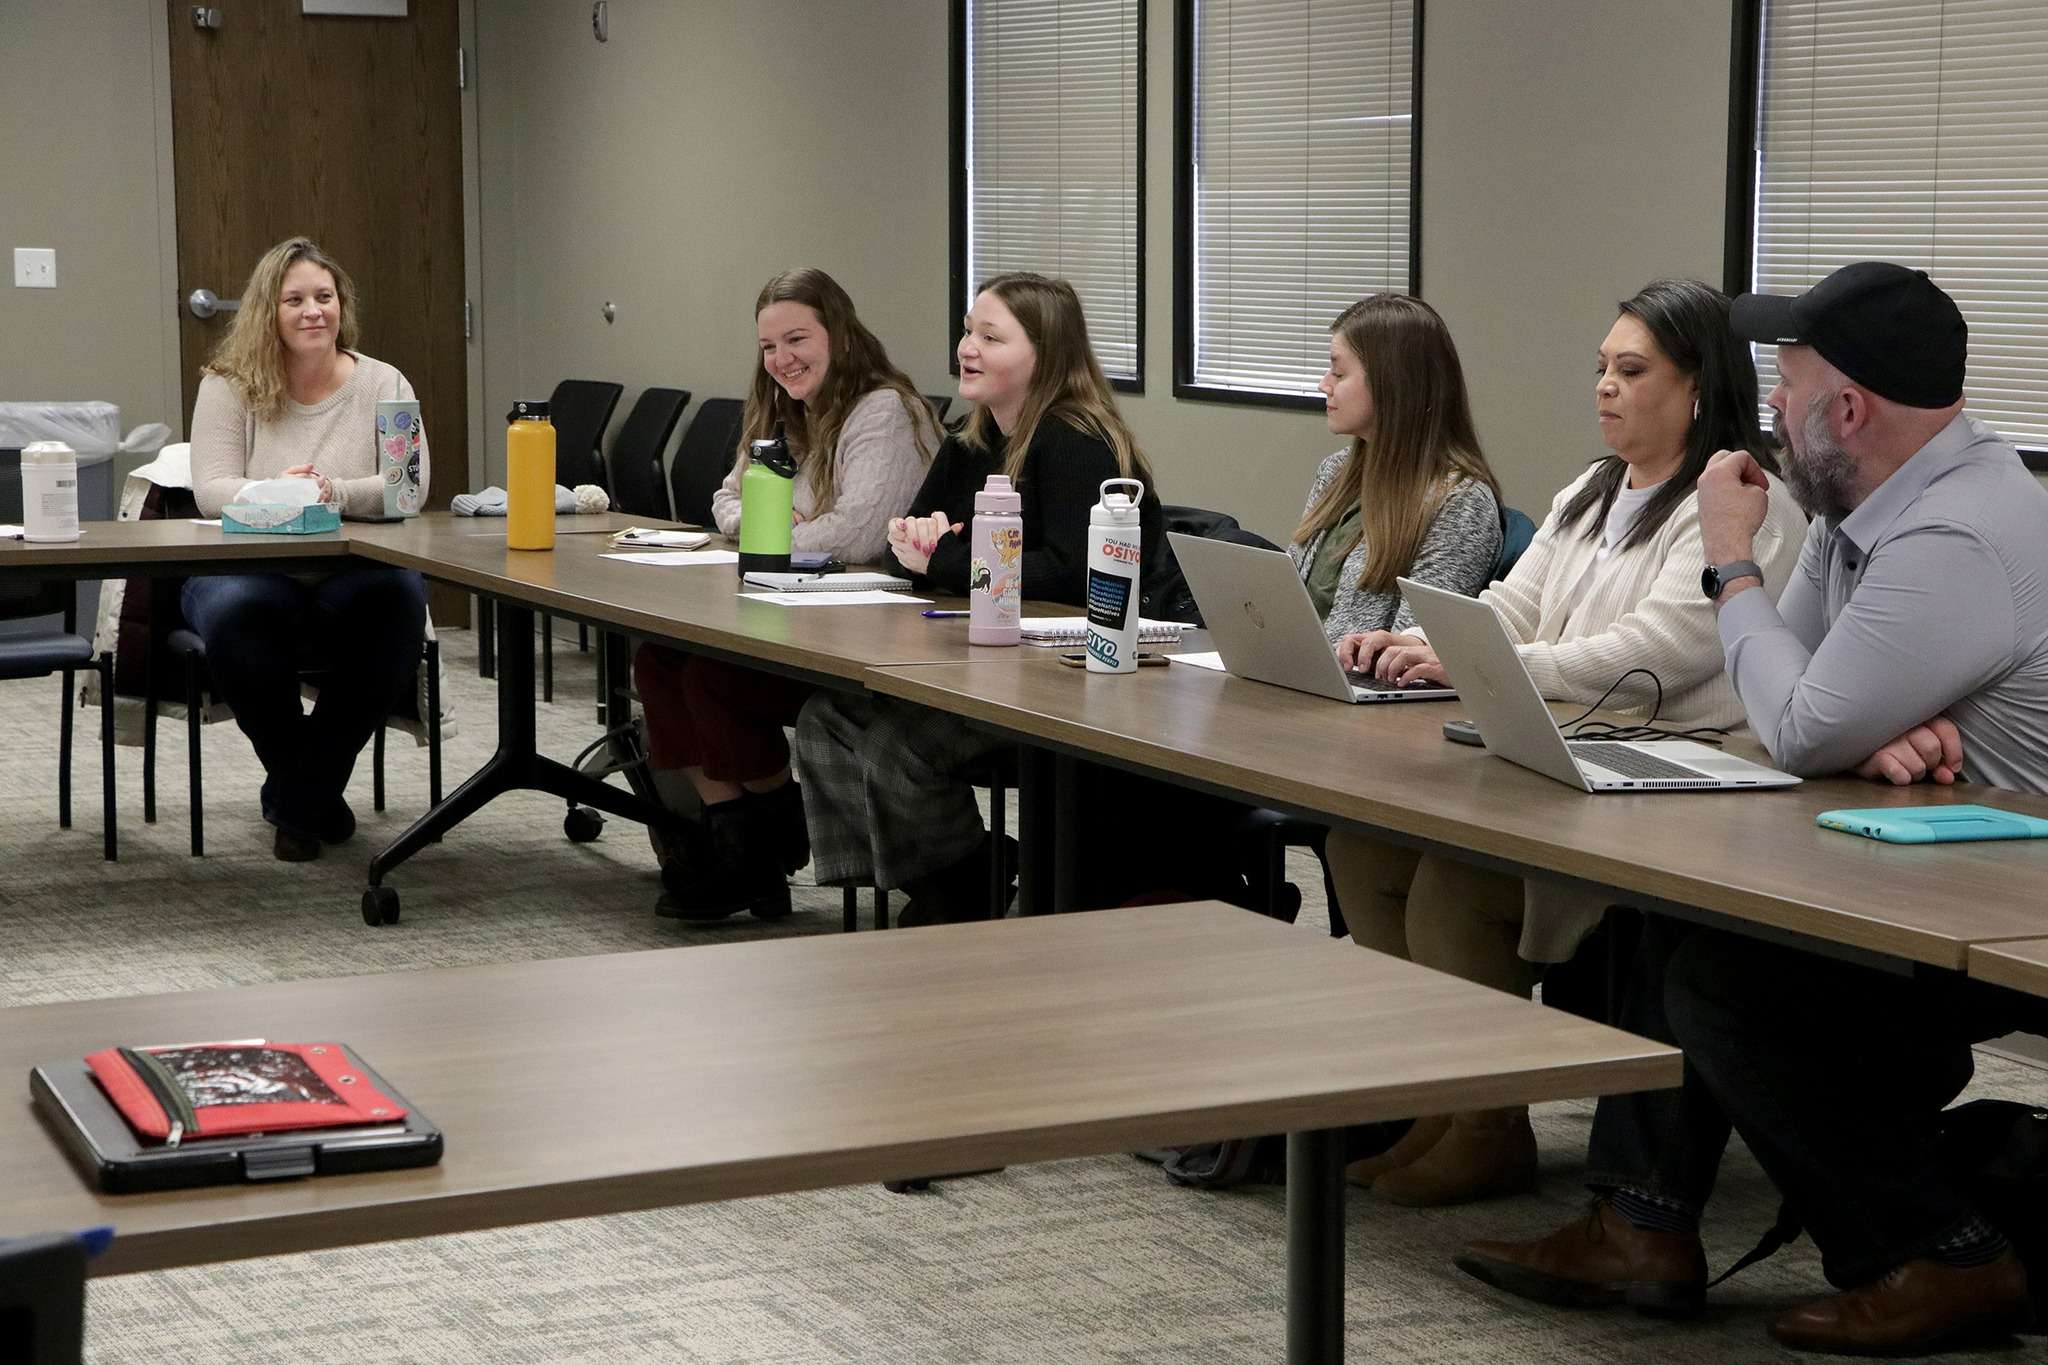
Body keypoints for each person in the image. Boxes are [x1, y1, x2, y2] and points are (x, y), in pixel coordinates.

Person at [1457, 263, 2048, 1357]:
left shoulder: (1954, 529)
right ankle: (1640, 1225)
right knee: (1665, 899)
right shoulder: (1855, 500)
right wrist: (1854, 720)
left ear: (1849, 410)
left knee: (1728, 984)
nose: (1766, 408)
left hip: (2002, 893)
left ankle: (1940, 1253)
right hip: (1906, 848)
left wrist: (1729, 563)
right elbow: (1803, 695)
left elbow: (1793, 717)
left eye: (1784, 387)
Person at [1325, 279, 1807, 1207]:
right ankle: (1437, 1101)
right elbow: (1516, 601)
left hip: (1672, 768)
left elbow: (1660, 651)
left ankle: (1487, 1126)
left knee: (1460, 880)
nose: (1605, 388)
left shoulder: (1747, 500)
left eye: (1632, 371)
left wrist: (1498, 669)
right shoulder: (1589, 490)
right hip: (1563, 749)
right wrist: (1432, 642)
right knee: (1365, 844)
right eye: (1601, 368)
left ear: (1699, 387)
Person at [792, 272, 1160, 923]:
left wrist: (948, 554)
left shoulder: (1076, 440)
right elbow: (915, 537)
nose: (969, 346)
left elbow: (1074, 575)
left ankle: (962, 889)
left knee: (894, 750)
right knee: (827, 722)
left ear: (1044, 354)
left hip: (1066, 680)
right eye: (968, 331)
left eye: (991, 336)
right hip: (981, 658)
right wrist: (925, 547)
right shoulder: (972, 434)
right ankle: (956, 876)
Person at [632, 268, 937, 921]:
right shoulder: (780, 407)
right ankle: (747, 844)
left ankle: (764, 846)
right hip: (786, 607)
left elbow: (857, 534)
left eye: (796, 338)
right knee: (659, 661)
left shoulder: (882, 409)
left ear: (841, 333)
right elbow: (724, 498)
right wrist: (766, 528)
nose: (781, 360)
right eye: (769, 347)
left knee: (713, 677)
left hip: (863, 634)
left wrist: (777, 532)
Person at [183, 237, 430, 863]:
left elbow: (407, 487)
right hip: (246, 565)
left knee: (400, 601)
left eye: (324, 297)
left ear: (341, 305)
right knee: (238, 615)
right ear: (269, 311)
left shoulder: (384, 382)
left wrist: (332, 489)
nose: (312, 311)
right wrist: (285, 493)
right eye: (294, 300)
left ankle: (299, 795)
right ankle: (311, 790)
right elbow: (212, 491)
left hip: (352, 567)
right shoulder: (228, 384)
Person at [1290, 294, 1502, 643]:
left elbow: (1414, 643)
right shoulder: (1335, 472)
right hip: (1297, 674)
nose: (1324, 384)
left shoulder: (1461, 501)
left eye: (1339, 372)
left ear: (1392, 383)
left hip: (1358, 689)